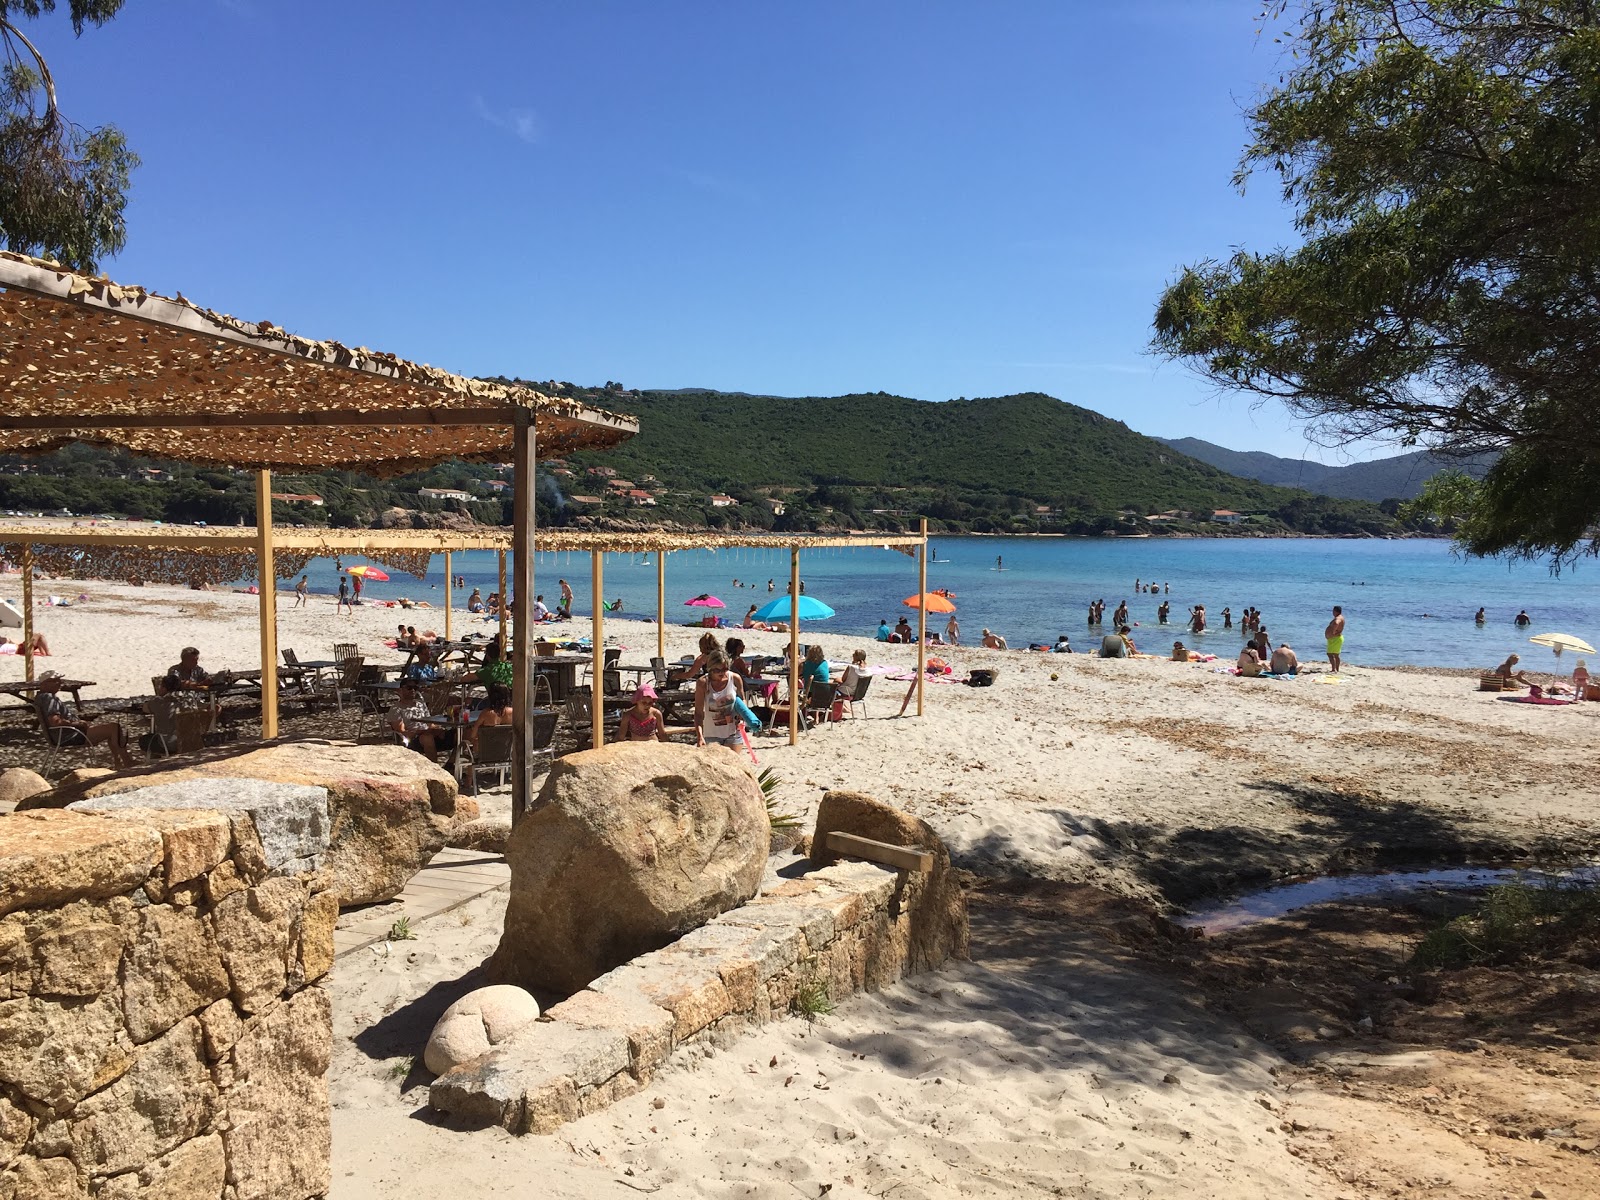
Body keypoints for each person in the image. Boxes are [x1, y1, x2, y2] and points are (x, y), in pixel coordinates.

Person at [34, 672, 134, 767]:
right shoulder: (49, 698)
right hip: (70, 736)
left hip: (64, 735)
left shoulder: (40, 697)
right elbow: (55, 722)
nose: (60, 683)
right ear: (45, 684)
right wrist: (77, 724)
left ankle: (119, 762)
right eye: (56, 681)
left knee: (110, 728)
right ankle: (125, 762)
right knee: (114, 728)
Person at [695, 651, 748, 750]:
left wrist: (742, 717)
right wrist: (699, 736)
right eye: (717, 670)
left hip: (733, 732)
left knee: (733, 764)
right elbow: (698, 713)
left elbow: (742, 700)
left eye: (724, 669)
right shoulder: (703, 683)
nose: (721, 673)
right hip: (711, 735)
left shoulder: (735, 679)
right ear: (710, 668)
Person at [387, 681, 453, 759]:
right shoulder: (396, 708)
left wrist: (438, 729)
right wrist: (422, 732)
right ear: (400, 690)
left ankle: (451, 764)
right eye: (409, 688)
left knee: (457, 734)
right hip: (414, 739)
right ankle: (433, 769)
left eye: (415, 688)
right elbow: (403, 733)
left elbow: (429, 723)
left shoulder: (420, 704)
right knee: (427, 738)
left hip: (429, 733)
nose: (413, 690)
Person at [1325, 605, 1346, 672]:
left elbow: (1336, 623)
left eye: (1333, 611)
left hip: (1335, 638)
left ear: (1335, 611)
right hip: (1338, 638)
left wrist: (1332, 633)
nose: (1332, 612)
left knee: (1330, 654)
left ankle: (1334, 669)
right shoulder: (1341, 617)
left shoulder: (1338, 618)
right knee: (1336, 655)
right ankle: (1337, 669)